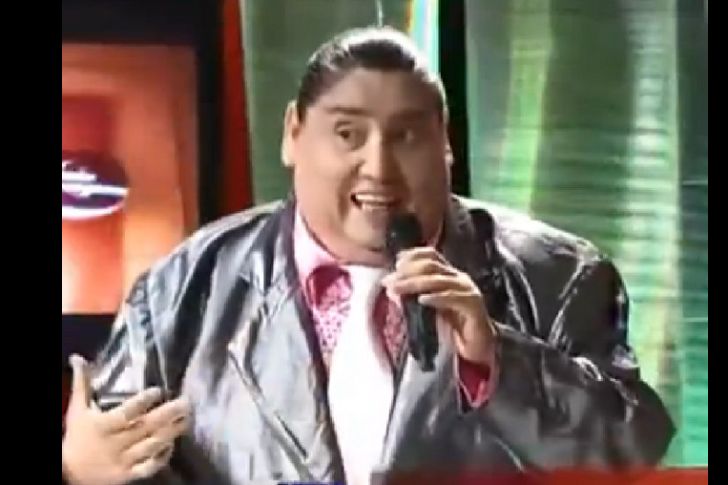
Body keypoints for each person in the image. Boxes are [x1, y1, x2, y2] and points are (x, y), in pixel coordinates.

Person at [61, 26, 674, 485]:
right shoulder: (185, 287)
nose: (378, 168)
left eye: (406, 136)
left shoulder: (558, 277)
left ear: (445, 144)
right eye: (348, 134)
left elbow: (631, 452)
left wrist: (497, 360)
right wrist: (79, 471)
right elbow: (122, 459)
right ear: (293, 133)